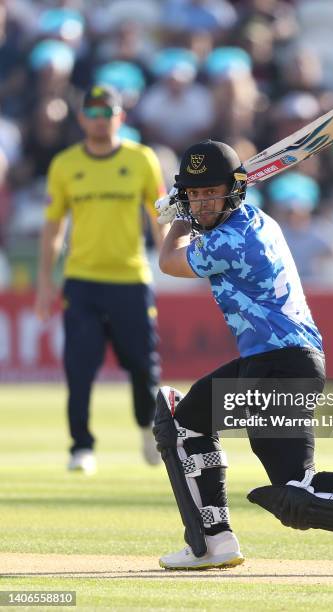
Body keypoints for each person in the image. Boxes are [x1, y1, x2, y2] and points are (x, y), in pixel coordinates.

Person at [152, 139, 333, 573]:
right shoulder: (257, 220)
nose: (201, 203)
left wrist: (177, 219)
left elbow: (168, 263)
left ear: (234, 190)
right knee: (188, 421)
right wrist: (187, 211)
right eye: (193, 194)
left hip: (280, 364)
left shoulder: (231, 239)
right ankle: (213, 541)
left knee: (298, 491)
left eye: (210, 192)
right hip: (275, 361)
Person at [35, 84, 167, 474]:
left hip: (130, 279)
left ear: (119, 117)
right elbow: (53, 227)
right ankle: (81, 447)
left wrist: (173, 258)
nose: (99, 120)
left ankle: (148, 429)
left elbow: (160, 215)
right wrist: (46, 280)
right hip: (83, 280)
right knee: (79, 368)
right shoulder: (64, 164)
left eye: (106, 113)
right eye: (91, 113)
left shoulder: (142, 159)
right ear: (81, 119)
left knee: (143, 368)